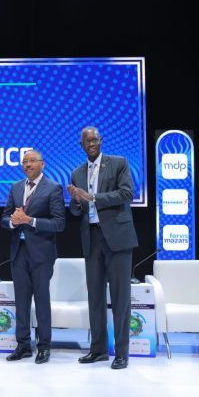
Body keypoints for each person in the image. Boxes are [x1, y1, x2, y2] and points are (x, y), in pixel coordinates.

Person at [67, 126, 138, 370]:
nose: (91, 144)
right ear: (81, 145)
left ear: (101, 141)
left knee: (120, 298)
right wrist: (77, 201)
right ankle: (98, 350)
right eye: (87, 141)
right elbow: (76, 210)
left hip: (117, 238)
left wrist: (94, 197)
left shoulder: (119, 163)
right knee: (95, 298)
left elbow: (127, 193)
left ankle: (122, 353)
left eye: (95, 140)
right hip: (92, 238)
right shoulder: (77, 173)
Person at [0, 149, 65, 364]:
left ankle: (44, 347)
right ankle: (23, 346)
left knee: (42, 301)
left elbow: (59, 223)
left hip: (42, 254)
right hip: (18, 251)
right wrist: (13, 222)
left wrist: (30, 220)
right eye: (24, 162)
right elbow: (4, 217)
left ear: (42, 164)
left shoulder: (53, 187)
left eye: (32, 161)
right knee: (21, 301)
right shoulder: (16, 187)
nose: (27, 165)